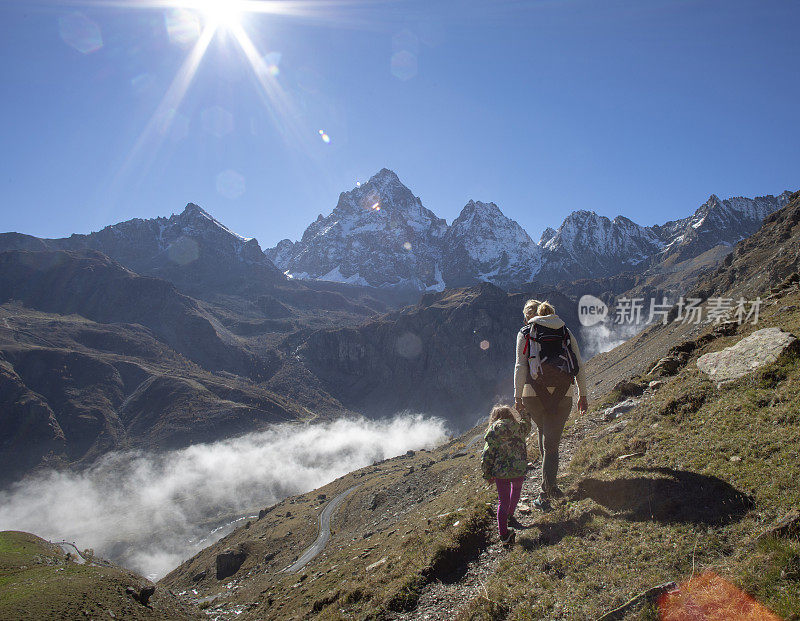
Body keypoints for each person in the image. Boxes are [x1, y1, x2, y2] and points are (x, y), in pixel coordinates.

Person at [515, 299, 588, 510]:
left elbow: (520, 366)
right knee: (552, 445)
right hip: (563, 393)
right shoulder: (565, 330)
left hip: (532, 394)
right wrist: (583, 395)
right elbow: (579, 364)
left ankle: (547, 488)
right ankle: (548, 491)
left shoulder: (526, 331)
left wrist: (517, 396)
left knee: (543, 432)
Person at [481, 404, 532, 546]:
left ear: (494, 417)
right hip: (518, 469)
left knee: (502, 502)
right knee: (516, 490)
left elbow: (487, 454)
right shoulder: (519, 427)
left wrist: (487, 474)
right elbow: (528, 424)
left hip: (500, 472)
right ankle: (510, 515)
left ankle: (504, 534)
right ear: (510, 415)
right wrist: (523, 410)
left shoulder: (493, 431)